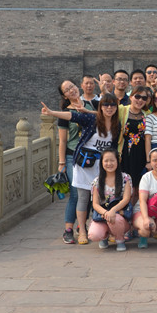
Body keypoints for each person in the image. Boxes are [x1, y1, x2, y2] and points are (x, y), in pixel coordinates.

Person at [41, 93, 120, 245]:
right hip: (85, 164)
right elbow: (72, 116)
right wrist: (51, 112)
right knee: (83, 198)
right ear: (101, 107)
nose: (109, 108)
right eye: (105, 105)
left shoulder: (117, 123)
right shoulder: (92, 119)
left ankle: (105, 229)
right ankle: (82, 231)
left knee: (103, 198)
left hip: (104, 166)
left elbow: (114, 146)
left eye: (112, 105)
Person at [55, 79, 90, 244]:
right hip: (73, 156)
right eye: (67, 90)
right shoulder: (64, 114)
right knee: (76, 193)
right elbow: (63, 141)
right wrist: (61, 163)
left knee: (89, 193)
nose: (71, 90)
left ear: (78, 87)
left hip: (90, 156)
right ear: (65, 96)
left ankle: (81, 226)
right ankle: (68, 229)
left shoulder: (90, 105)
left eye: (72, 86)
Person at [89, 149, 132, 252]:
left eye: (112, 160)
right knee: (94, 235)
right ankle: (104, 236)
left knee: (115, 219)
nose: (109, 164)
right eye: (106, 161)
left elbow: (126, 199)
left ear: (118, 160)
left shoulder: (126, 178)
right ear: (102, 162)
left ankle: (120, 239)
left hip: (119, 216)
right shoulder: (97, 181)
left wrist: (113, 211)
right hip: (103, 216)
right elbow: (95, 204)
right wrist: (105, 213)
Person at [118, 86, 150, 202]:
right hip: (125, 152)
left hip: (140, 153)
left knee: (138, 186)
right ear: (131, 97)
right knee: (125, 185)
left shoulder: (147, 114)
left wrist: (148, 160)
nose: (140, 100)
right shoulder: (122, 110)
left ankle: (135, 210)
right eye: (137, 96)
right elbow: (104, 112)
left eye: (144, 98)